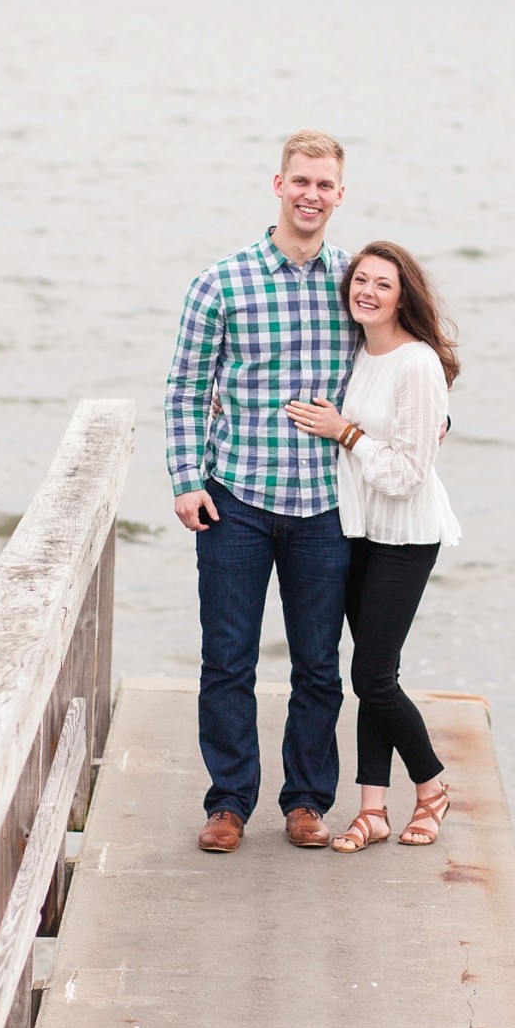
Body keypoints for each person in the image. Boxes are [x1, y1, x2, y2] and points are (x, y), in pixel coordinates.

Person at [165, 130, 357, 853]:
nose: (311, 195)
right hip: (236, 498)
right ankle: (228, 803)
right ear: (277, 185)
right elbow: (186, 389)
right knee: (228, 657)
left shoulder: (355, 280)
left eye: (325, 185)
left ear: (340, 195)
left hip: (325, 505)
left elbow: (410, 356)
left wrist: (432, 418)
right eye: (300, 181)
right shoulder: (223, 281)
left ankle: (306, 801)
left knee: (317, 663)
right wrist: (186, 481)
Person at [284, 241, 462, 852]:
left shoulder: (417, 363)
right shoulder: (360, 352)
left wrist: (345, 432)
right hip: (357, 530)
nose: (367, 291)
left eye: (382, 284)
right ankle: (373, 810)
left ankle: (432, 784)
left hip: (404, 536)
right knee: (376, 673)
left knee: (371, 676)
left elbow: (407, 473)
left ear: (403, 295)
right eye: (361, 280)